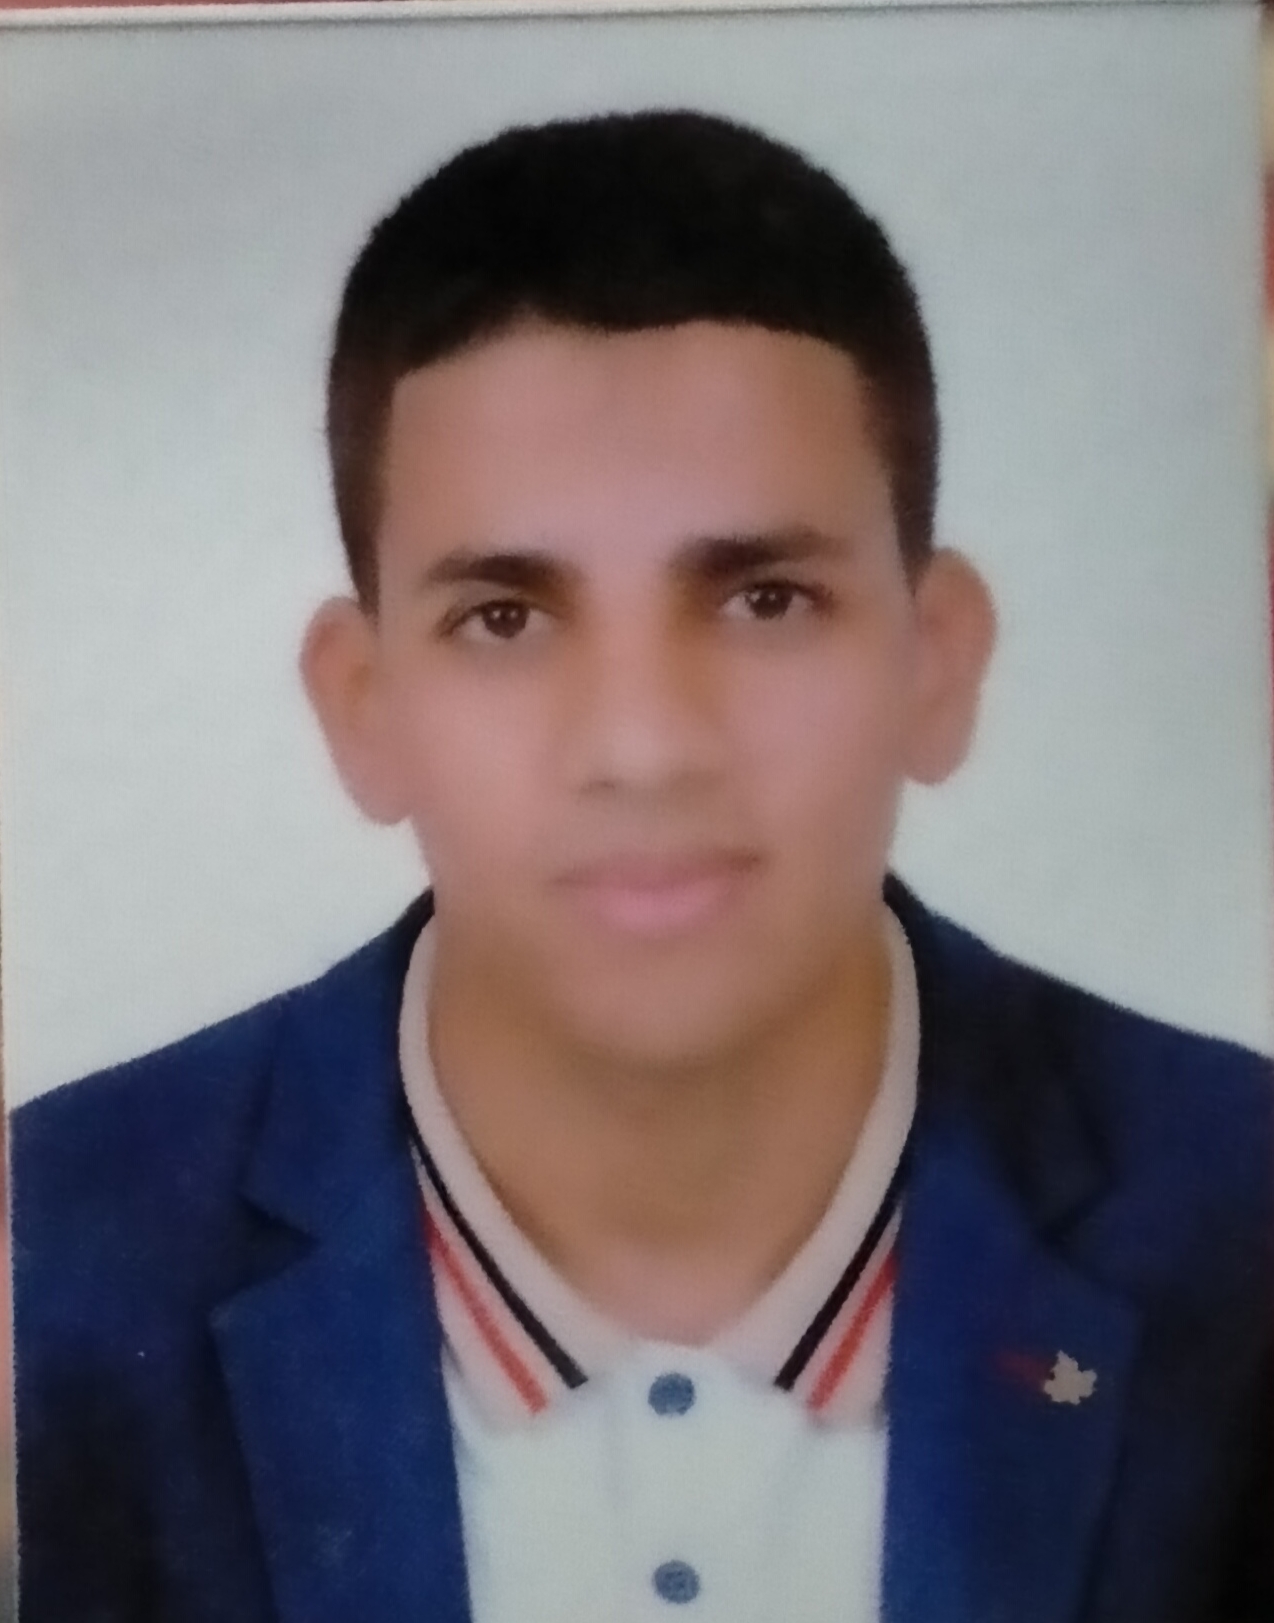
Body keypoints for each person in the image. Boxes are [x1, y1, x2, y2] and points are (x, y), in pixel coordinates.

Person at [12, 109, 1271, 1623]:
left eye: (763, 600)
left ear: (936, 664)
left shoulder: (1245, 1213)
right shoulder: (46, 1264)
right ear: (363, 707)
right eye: (505, 619)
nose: (645, 746)